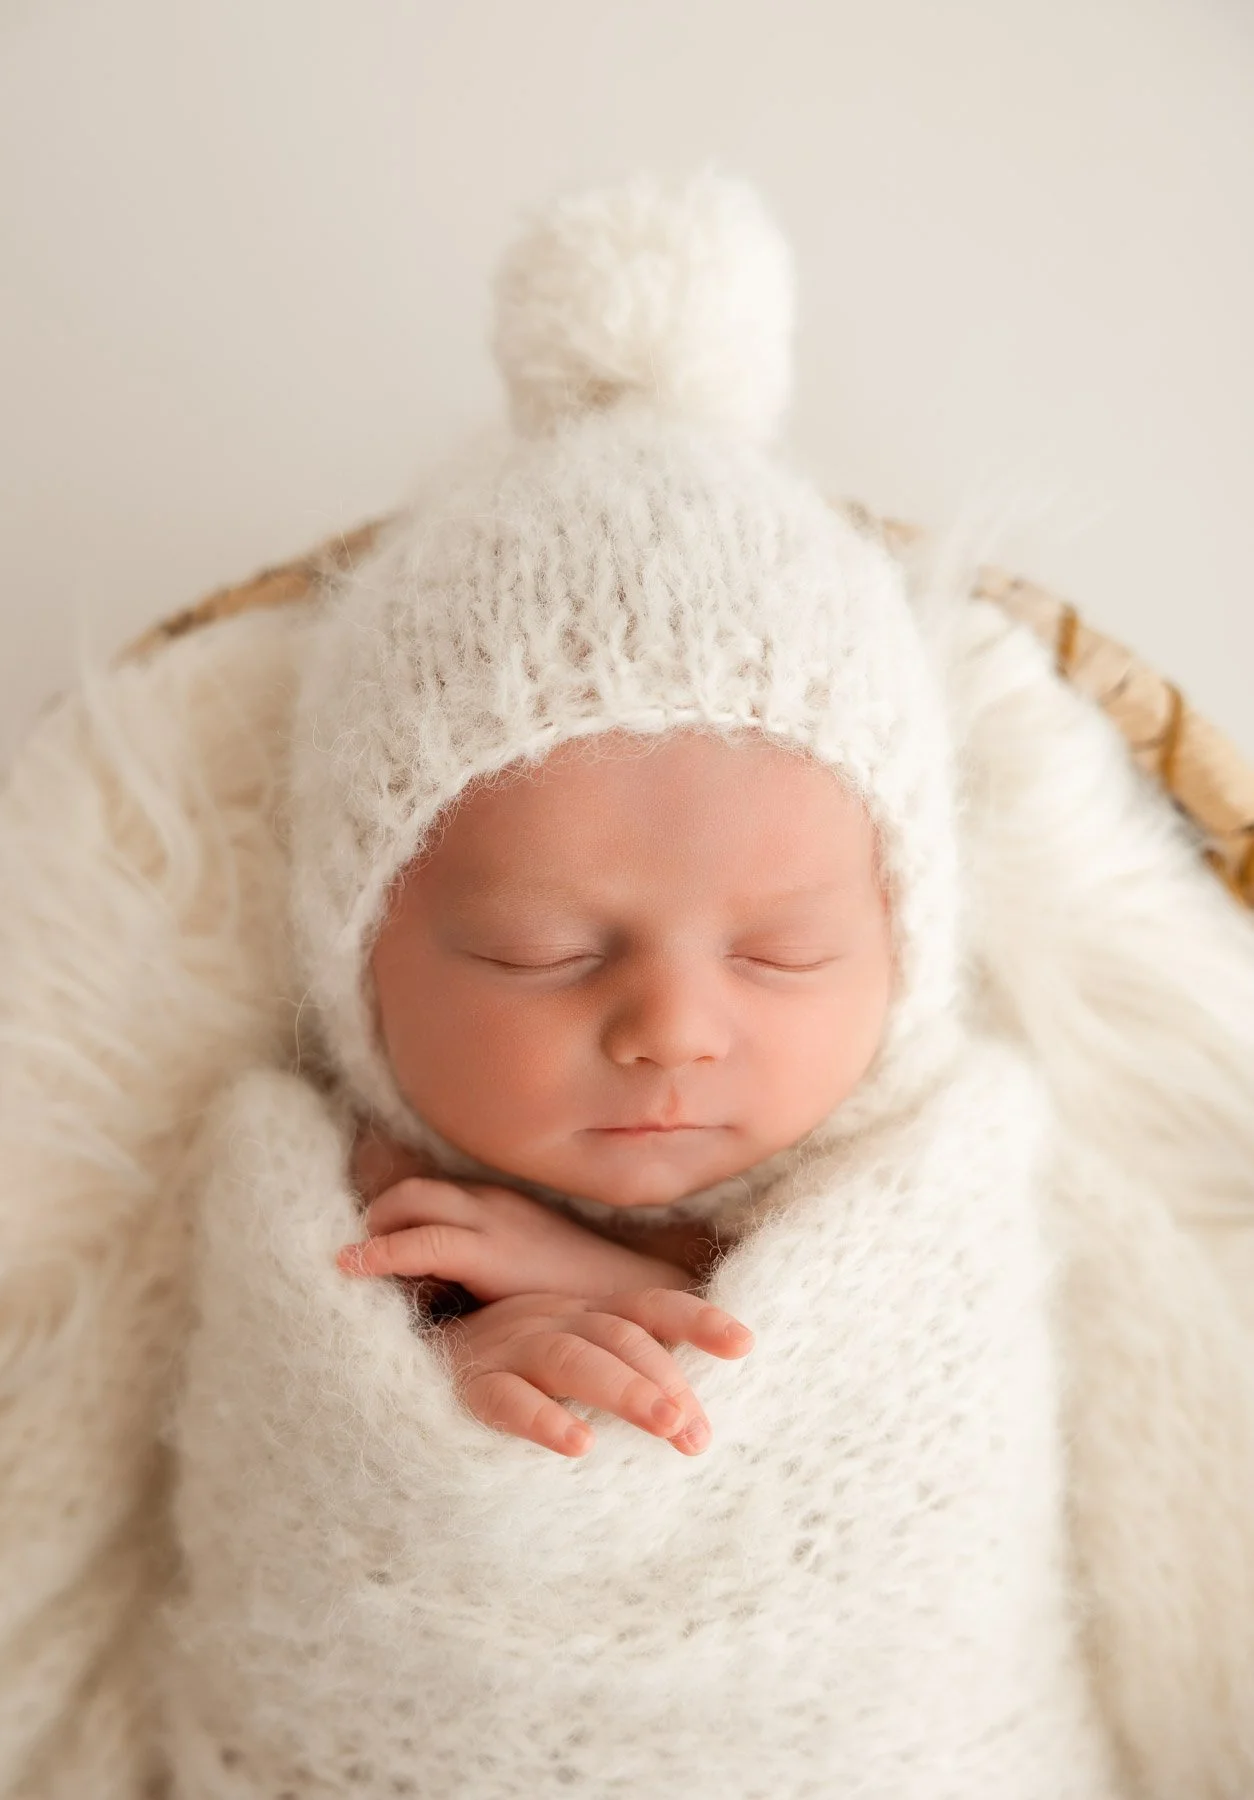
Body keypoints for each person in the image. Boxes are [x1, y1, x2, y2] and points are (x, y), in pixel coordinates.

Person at [157, 172, 1124, 1794]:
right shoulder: (310, 1201)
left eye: (781, 951)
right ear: (361, 959)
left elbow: (901, 1481)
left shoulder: (948, 1176)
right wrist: (459, 1380)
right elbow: (312, 1519)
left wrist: (627, 1290)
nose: (671, 1029)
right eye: (542, 950)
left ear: (906, 945)